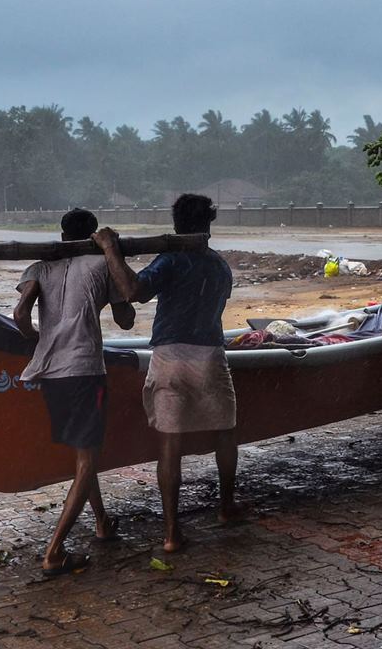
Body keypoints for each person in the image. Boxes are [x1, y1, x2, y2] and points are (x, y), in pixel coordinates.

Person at [94, 194, 241, 553]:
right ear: (208, 224)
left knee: (169, 447)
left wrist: (110, 248)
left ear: (176, 224)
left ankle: (172, 533)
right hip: (209, 355)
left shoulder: (172, 260)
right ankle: (225, 509)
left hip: (170, 356)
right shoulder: (220, 267)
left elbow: (132, 290)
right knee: (225, 433)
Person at [12, 208, 135, 577]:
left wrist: (39, 341)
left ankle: (101, 522)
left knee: (83, 455)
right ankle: (54, 551)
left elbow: (20, 314)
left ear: (62, 235)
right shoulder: (100, 264)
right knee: (87, 459)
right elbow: (126, 317)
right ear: (92, 235)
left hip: (49, 371)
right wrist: (113, 254)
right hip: (83, 370)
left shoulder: (40, 267)